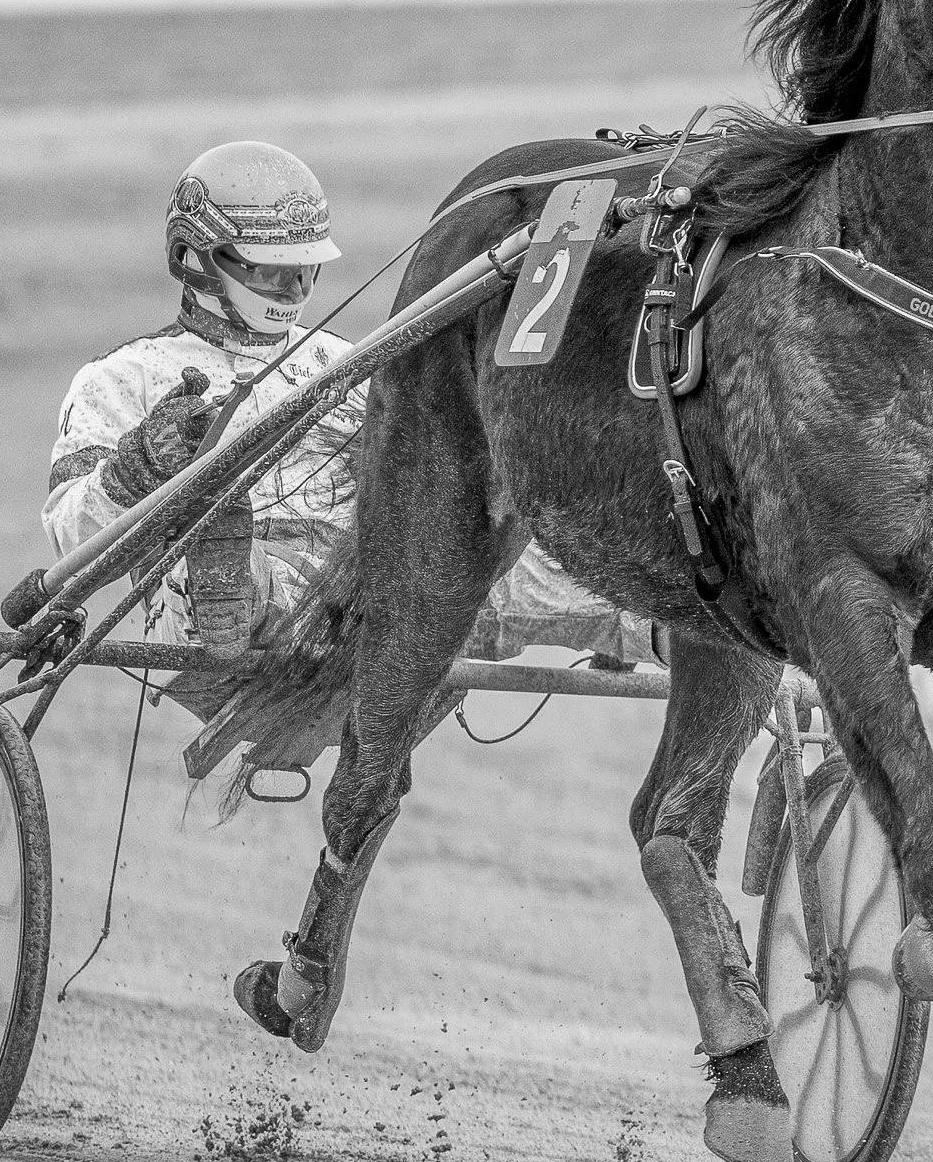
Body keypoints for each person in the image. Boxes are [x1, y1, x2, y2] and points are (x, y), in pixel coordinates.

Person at [43, 141, 656, 806]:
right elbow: (71, 538)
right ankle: (233, 569)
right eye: (270, 272)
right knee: (231, 547)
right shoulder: (122, 377)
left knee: (529, 560)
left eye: (303, 271)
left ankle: (685, 624)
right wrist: (136, 468)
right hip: (226, 611)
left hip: (379, 589)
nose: (293, 290)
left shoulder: (350, 359)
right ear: (195, 258)